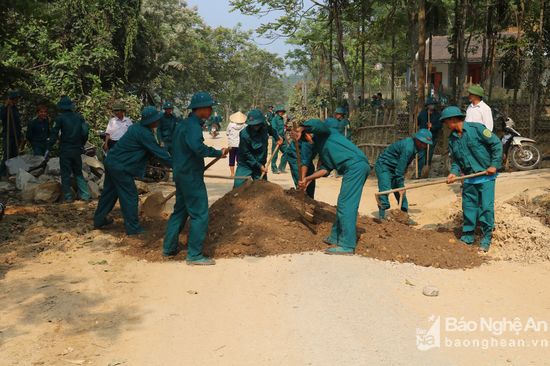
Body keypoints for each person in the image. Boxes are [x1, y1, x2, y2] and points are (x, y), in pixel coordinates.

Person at [163, 92, 228, 265]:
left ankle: (168, 248)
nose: (211, 110)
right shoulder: (192, 126)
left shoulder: (184, 124)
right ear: (201, 109)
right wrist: (218, 153)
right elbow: (197, 147)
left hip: (181, 172)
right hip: (190, 176)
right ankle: (194, 255)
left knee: (180, 211)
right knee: (200, 214)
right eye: (209, 107)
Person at [295, 119, 370, 255]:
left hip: (355, 166)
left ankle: (347, 245)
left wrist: (301, 128)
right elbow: (326, 169)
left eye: (306, 137)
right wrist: (308, 179)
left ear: (308, 133)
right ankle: (335, 236)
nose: (308, 141)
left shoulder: (326, 133)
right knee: (342, 203)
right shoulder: (321, 146)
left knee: (346, 204)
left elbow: (319, 125)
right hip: (353, 168)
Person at [94, 106, 172, 235]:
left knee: (109, 194)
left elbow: (150, 151)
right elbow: (158, 152)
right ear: (150, 121)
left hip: (111, 162)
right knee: (130, 196)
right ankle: (133, 229)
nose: (158, 121)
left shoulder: (137, 127)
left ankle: (99, 220)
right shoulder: (144, 133)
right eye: (156, 119)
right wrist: (177, 165)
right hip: (120, 167)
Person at [441, 106, 502, 252]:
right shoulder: (453, 139)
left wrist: (494, 165)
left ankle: (486, 238)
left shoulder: (477, 129)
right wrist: (453, 173)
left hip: (486, 176)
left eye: (445, 122)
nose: (445, 125)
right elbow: (456, 160)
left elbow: (496, 144)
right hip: (469, 178)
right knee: (468, 207)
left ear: (453, 120)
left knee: (486, 208)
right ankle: (468, 236)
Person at [375, 130, 432, 222]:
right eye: (422, 143)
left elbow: (403, 165)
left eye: (426, 144)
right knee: (385, 189)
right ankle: (382, 216)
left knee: (400, 192)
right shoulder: (408, 147)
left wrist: (400, 184)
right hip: (384, 165)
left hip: (396, 167)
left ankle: (404, 215)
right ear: (417, 139)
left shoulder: (417, 148)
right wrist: (401, 185)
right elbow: (400, 169)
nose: (424, 145)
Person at [48, 96, 91, 202]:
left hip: (65, 149)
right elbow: (85, 132)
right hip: (76, 149)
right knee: (78, 172)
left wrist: (48, 146)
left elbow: (54, 134)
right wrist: (82, 144)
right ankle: (85, 195)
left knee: (66, 173)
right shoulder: (79, 117)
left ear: (61, 108)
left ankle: (68, 197)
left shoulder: (60, 118)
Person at [233, 109, 282, 188]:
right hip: (245, 164)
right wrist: (259, 166)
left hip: (260, 162)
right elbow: (246, 154)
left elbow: (272, 130)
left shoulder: (265, 126)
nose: (256, 126)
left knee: (262, 189)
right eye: (253, 125)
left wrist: (277, 138)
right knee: (238, 187)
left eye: (257, 124)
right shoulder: (244, 134)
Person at [285, 130, 316, 199]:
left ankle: (310, 200)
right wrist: (302, 181)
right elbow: (305, 161)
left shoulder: (324, 140)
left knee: (310, 177)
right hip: (295, 155)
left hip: (308, 155)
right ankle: (302, 199)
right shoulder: (307, 141)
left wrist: (310, 178)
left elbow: (322, 160)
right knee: (300, 178)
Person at [1, 90, 23, 176]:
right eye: (15, 99)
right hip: (8, 135)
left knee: (15, 155)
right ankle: (2, 174)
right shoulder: (5, 108)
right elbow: (1, 116)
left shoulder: (15, 109)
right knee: (7, 155)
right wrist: (5, 106)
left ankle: (15, 174)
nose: (16, 101)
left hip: (16, 135)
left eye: (17, 99)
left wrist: (20, 135)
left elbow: (18, 123)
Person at [416, 97, 441, 173]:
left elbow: (439, 126)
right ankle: (419, 171)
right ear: (427, 105)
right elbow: (418, 122)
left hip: (432, 137)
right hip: (422, 137)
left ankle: (427, 170)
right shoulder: (422, 114)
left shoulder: (438, 115)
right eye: (430, 104)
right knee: (421, 154)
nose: (432, 106)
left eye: (433, 104)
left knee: (429, 154)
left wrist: (432, 126)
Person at [226, 111, 247, 176]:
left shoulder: (230, 125)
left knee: (231, 158)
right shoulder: (245, 125)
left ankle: (232, 173)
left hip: (232, 144)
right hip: (240, 145)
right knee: (239, 160)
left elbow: (227, 133)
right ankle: (239, 173)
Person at [270, 105, 288, 174]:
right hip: (276, 138)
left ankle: (281, 168)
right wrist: (278, 137)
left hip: (283, 138)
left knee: (287, 152)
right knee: (275, 154)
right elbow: (274, 129)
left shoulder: (282, 119)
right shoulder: (274, 119)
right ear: (277, 112)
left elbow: (283, 129)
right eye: (279, 111)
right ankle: (274, 169)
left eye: (282, 111)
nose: (281, 113)